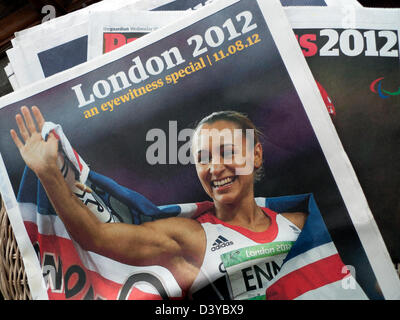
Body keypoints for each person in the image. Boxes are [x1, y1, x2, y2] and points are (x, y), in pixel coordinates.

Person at [10, 106, 307, 300]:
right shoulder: (190, 236)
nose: (215, 168)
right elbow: (95, 237)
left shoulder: (302, 224)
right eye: (203, 158)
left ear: (255, 155)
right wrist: (49, 174)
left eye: (226, 152)